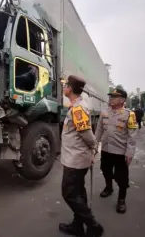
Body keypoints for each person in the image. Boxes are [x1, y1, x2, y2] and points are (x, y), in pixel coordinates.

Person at [59, 75, 104, 237]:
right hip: (75, 157)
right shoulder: (76, 105)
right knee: (78, 192)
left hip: (76, 160)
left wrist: (94, 148)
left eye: (65, 85)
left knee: (69, 194)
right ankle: (77, 226)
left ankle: (93, 225)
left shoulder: (78, 109)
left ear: (70, 89)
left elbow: (87, 134)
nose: (63, 87)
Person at [95, 88, 138, 214]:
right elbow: (98, 130)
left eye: (114, 97)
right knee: (105, 170)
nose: (110, 98)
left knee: (122, 177)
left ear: (122, 100)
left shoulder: (129, 115)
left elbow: (132, 136)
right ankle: (109, 188)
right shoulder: (104, 113)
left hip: (121, 152)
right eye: (110, 96)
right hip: (106, 150)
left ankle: (121, 199)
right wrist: (94, 145)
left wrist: (130, 153)